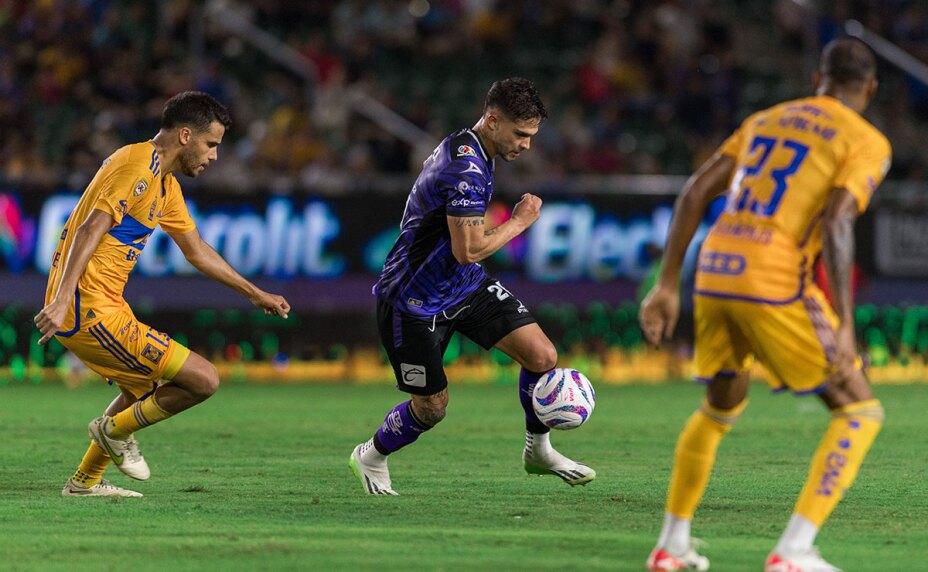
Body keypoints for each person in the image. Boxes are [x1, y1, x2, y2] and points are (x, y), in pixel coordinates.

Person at [639, 38, 890, 571]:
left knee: (721, 404)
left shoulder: (767, 119)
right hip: (773, 275)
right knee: (860, 410)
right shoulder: (866, 139)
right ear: (868, 88)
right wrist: (844, 321)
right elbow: (839, 220)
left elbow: (694, 192)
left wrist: (665, 285)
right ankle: (795, 551)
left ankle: (671, 546)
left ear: (819, 78)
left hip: (714, 267)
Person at [34, 91, 291, 497]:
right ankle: (112, 431)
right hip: (88, 311)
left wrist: (253, 292)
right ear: (186, 136)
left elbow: (197, 250)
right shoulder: (137, 164)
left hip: (105, 307)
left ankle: (84, 482)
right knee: (202, 380)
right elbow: (88, 230)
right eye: (212, 145)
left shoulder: (164, 184)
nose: (214, 156)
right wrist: (63, 299)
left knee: (143, 392)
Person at [349, 78, 595, 495]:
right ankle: (371, 454)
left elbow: (462, 259)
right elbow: (469, 249)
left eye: (532, 136)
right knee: (432, 408)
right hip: (413, 301)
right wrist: (519, 222)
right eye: (521, 134)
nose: (526, 145)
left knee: (542, 355)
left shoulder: (474, 145)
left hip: (461, 287)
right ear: (494, 120)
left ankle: (538, 451)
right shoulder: (465, 168)